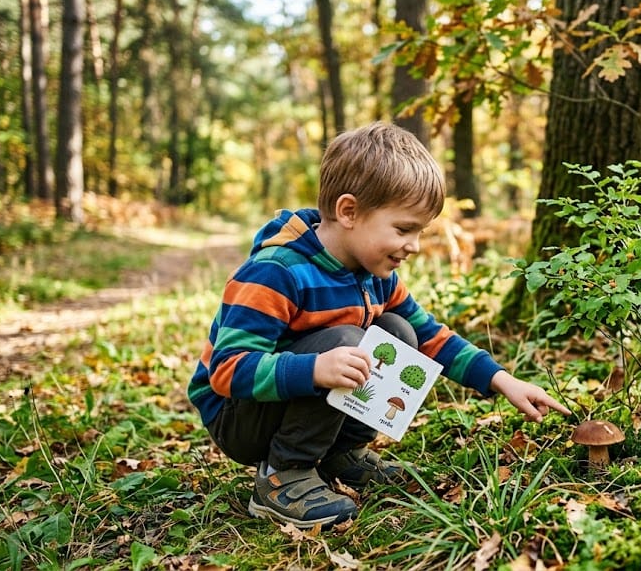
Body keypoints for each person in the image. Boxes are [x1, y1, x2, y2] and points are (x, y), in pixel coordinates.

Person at [188, 122, 570, 530]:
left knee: (399, 334)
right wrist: (315, 369)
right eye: (404, 229)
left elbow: (429, 336)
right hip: (239, 416)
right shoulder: (275, 272)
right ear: (348, 211)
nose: (415, 245)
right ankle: (284, 473)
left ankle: (341, 452)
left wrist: (501, 381)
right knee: (348, 341)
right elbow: (227, 371)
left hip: (293, 397)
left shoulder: (377, 277)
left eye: (420, 231)